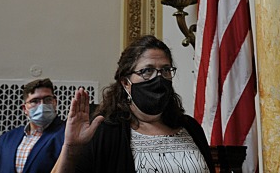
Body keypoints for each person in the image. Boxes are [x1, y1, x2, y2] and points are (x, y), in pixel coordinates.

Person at [52, 34, 214, 172]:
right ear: (126, 83)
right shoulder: (105, 131)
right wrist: (71, 149)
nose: (158, 78)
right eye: (147, 71)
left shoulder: (190, 127)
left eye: (165, 70)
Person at [0, 78, 65, 173]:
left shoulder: (66, 135)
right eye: (35, 101)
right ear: (25, 109)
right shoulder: (6, 139)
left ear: (55, 102)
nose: (42, 105)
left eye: (47, 99)